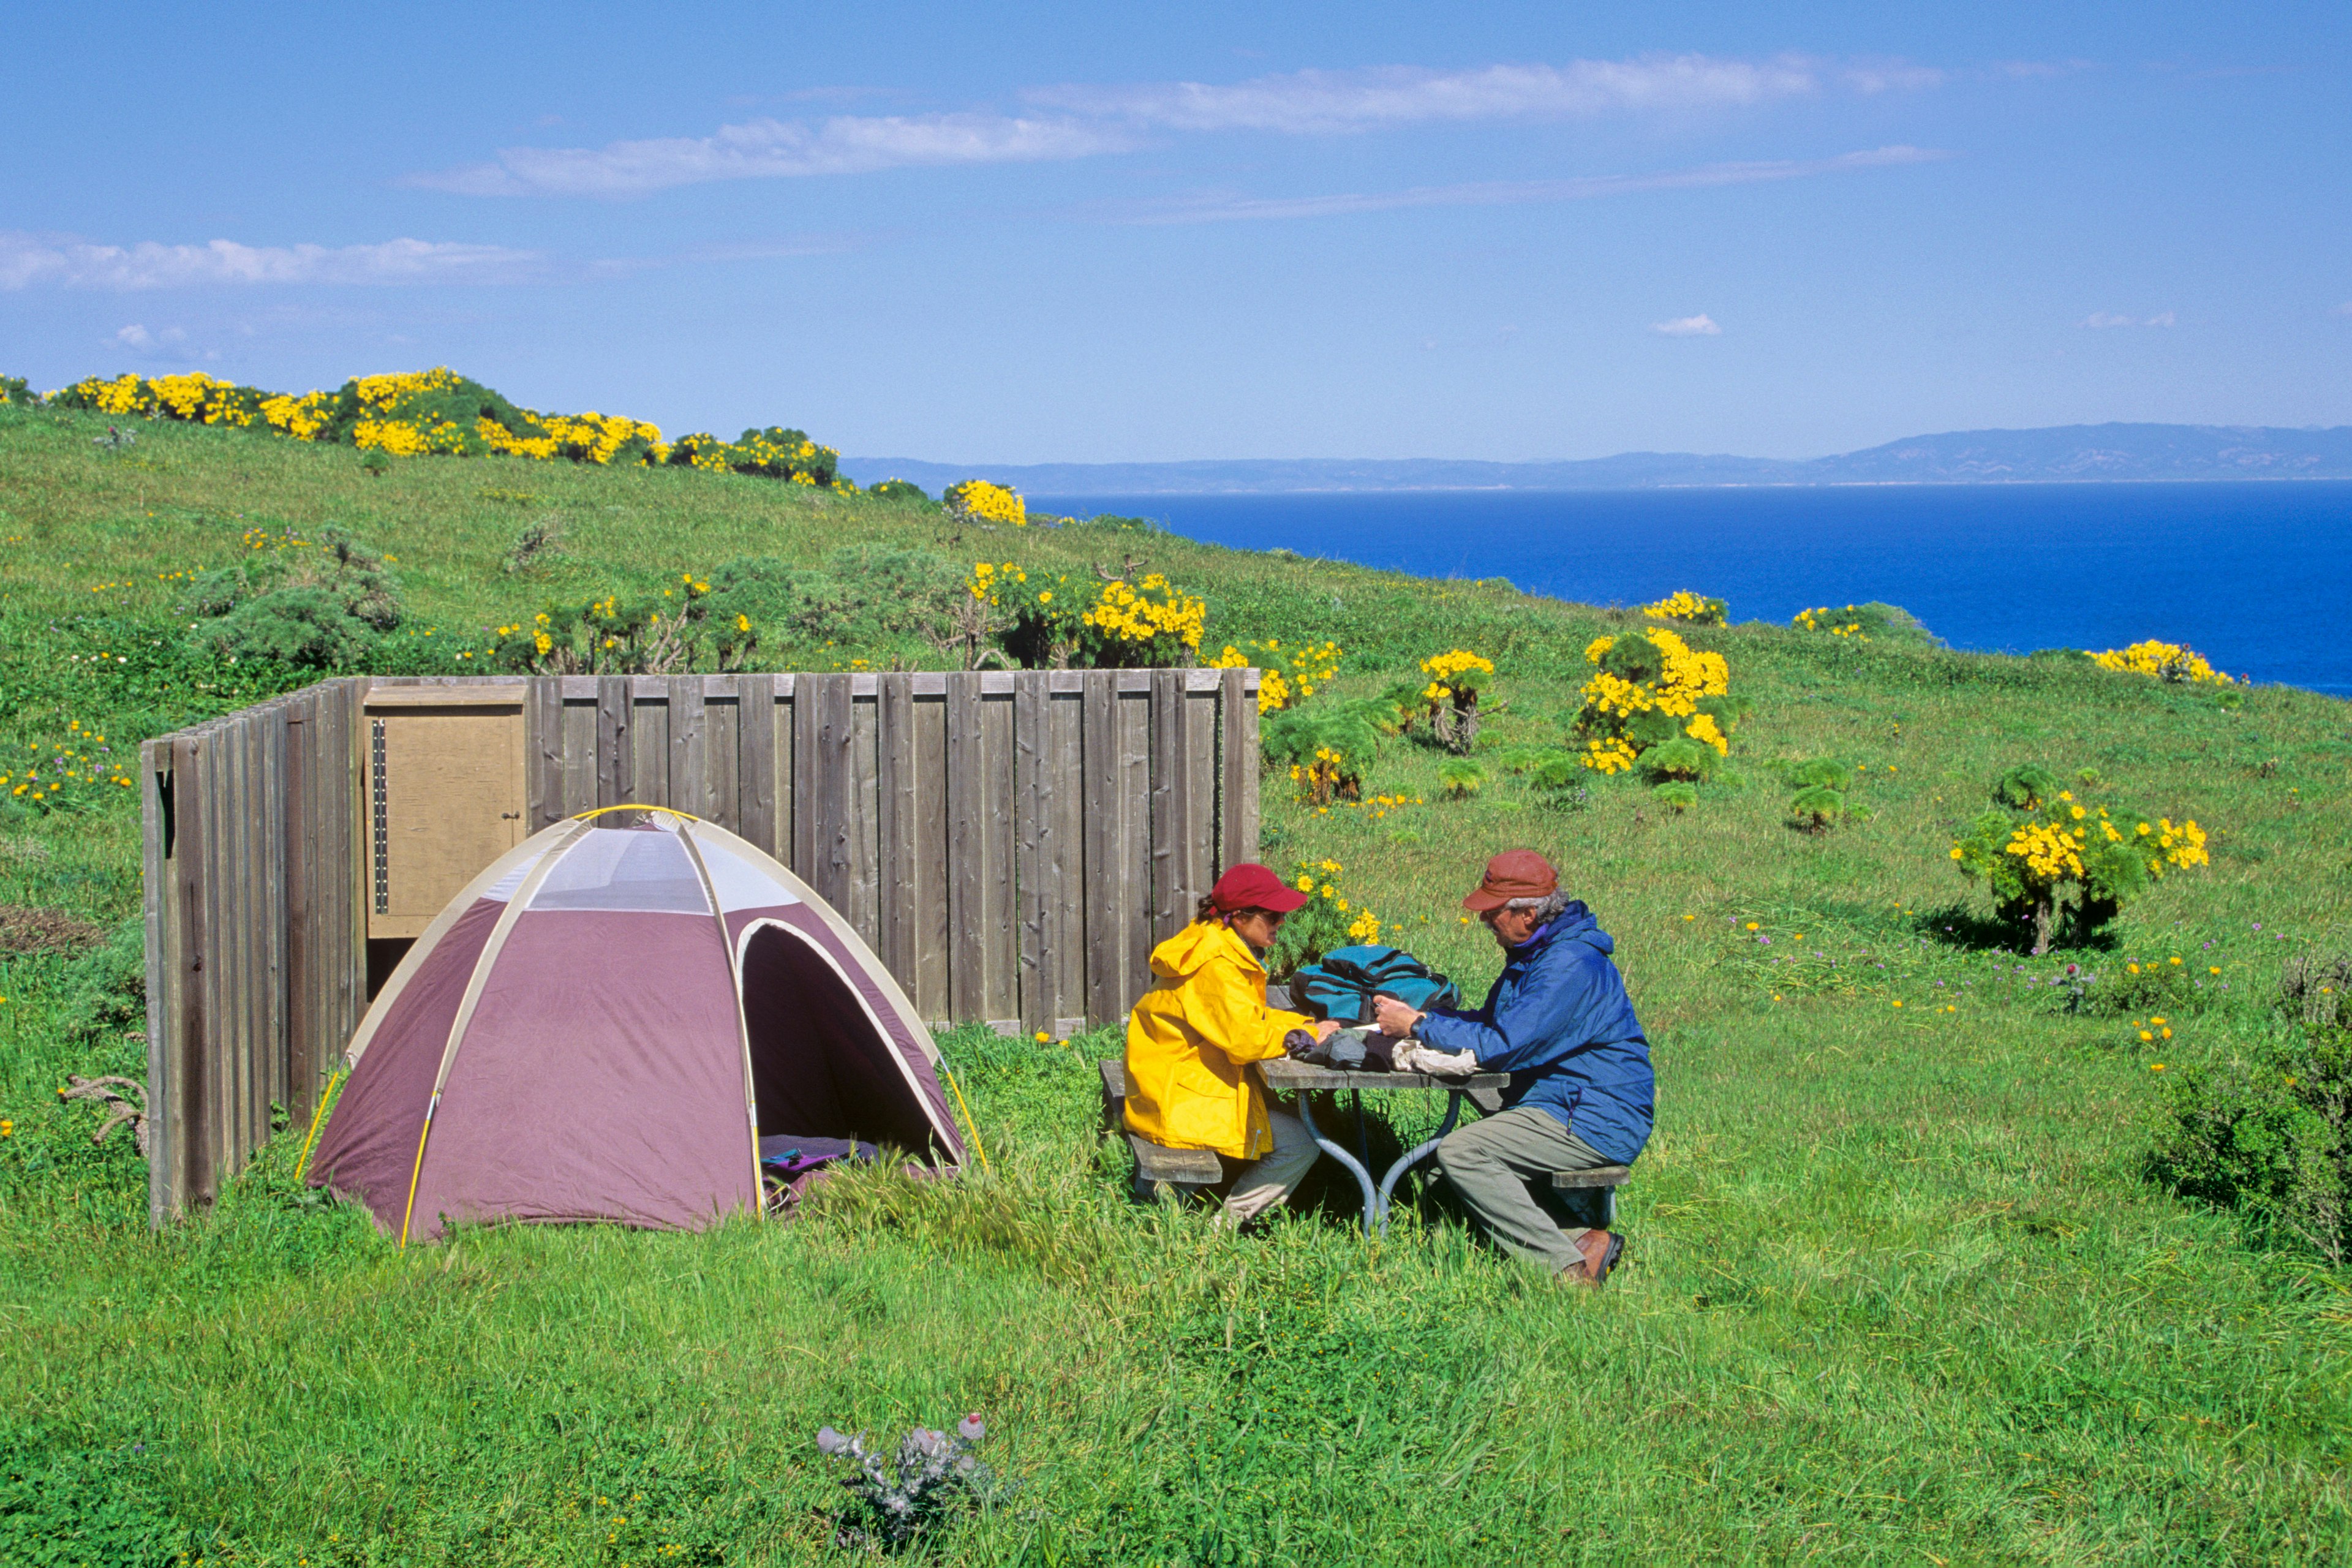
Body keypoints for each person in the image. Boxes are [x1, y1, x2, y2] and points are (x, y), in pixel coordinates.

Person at [1373, 850, 1654, 1286]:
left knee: (1462, 1154)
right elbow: (1492, 1023)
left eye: (1493, 912)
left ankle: (1565, 1272)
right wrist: (1423, 1019)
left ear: (1528, 914)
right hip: (1562, 1104)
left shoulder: (1568, 964)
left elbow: (1503, 1044)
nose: (1485, 920)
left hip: (1594, 1115)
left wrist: (1418, 1026)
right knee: (1436, 1177)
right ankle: (1583, 1239)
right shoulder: (1535, 954)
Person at [1125, 862, 1342, 1226]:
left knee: (1288, 1123)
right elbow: (1244, 1042)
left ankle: (1196, 1217)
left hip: (1170, 1086)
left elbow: (1244, 1018)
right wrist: (1305, 1037)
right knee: (1300, 1143)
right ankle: (1225, 1229)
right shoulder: (1217, 964)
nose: (1281, 922)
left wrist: (1305, 1025)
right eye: (1272, 915)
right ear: (1239, 917)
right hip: (1179, 1102)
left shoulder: (1213, 942)